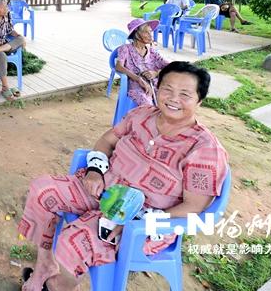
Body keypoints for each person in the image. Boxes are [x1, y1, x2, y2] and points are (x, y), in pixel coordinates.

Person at [18, 62, 229, 291]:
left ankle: (58, 286)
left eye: (185, 94)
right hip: (104, 188)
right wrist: (94, 171)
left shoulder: (204, 148)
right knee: (42, 189)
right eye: (167, 89)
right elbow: (107, 141)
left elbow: (194, 206)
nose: (173, 98)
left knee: (73, 239)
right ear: (157, 89)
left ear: (199, 100)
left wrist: (139, 221)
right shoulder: (142, 113)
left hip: (141, 219)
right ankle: (45, 265)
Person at [116, 18, 170, 107]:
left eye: (150, 32)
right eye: (146, 32)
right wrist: (138, 79)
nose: (150, 36)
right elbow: (119, 66)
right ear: (137, 34)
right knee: (147, 103)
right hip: (136, 85)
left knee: (166, 99)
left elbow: (169, 66)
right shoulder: (125, 49)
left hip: (154, 83)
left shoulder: (152, 52)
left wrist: (156, 73)